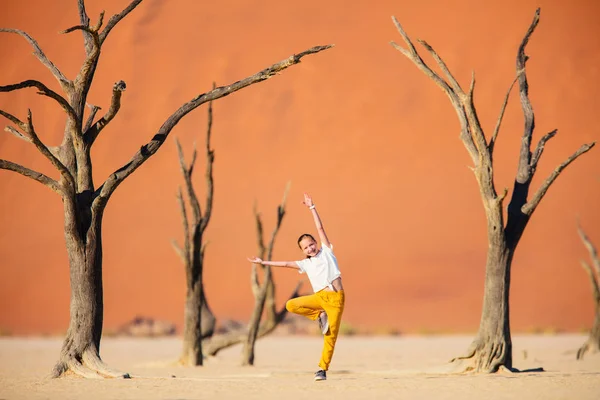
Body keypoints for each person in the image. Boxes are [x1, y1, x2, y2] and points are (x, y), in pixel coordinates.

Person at [247, 193, 345, 382]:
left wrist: (312, 207)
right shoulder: (305, 264)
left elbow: (319, 227)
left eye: (311, 244)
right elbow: (284, 263)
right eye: (305, 248)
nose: (310, 248)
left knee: (330, 338)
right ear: (302, 251)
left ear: (316, 243)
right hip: (319, 298)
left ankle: (322, 370)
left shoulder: (326, 250)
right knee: (291, 305)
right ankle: (319, 315)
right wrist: (263, 262)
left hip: (336, 299)